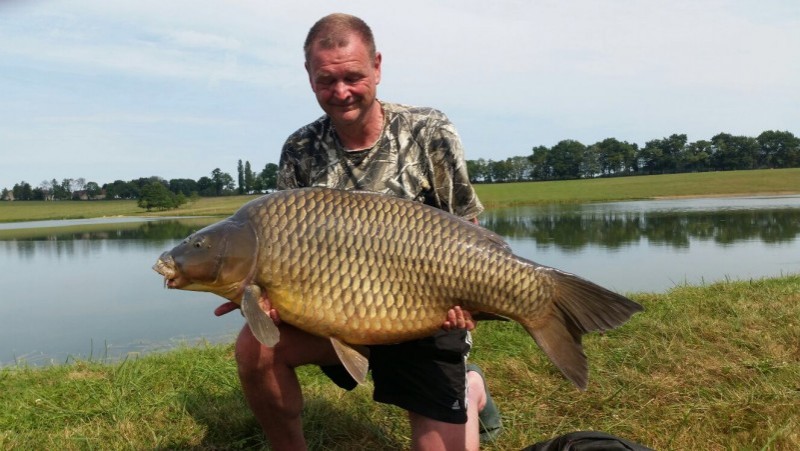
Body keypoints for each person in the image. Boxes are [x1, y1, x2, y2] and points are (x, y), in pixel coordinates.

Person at [214, 13, 501, 451]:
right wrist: (260, 300)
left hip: (423, 316)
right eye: (327, 80)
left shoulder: (428, 130)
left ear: (377, 67)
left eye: (353, 77)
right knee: (255, 348)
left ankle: (470, 387)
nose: (341, 92)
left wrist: (467, 298)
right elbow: (278, 249)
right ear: (309, 77)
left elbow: (467, 230)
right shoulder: (300, 149)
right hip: (335, 317)